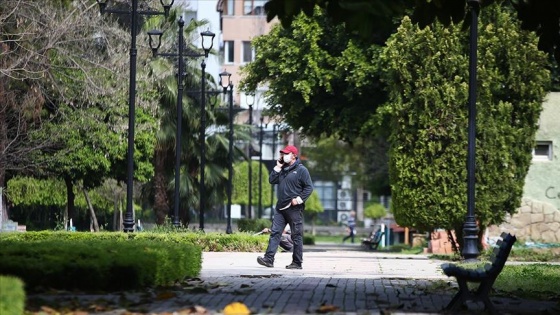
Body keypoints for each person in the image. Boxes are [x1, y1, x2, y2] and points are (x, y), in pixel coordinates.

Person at [257, 145, 313, 269]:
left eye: (286, 153)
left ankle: (297, 263)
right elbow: (271, 180)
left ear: (294, 155)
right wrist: (277, 166)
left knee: (296, 235)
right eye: (283, 153)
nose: (284, 155)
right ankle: (268, 259)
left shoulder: (301, 170)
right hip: (280, 208)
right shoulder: (282, 169)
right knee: (275, 233)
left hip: (294, 209)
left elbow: (309, 187)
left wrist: (298, 200)